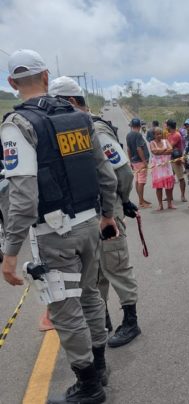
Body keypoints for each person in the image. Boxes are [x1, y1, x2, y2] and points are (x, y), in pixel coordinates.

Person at [1, 49, 118, 403]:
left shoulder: (17, 126)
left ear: (11, 83)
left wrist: (9, 253)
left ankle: (89, 386)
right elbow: (106, 175)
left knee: (65, 311)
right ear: (47, 77)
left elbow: (23, 200)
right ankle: (99, 367)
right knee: (91, 297)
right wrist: (108, 215)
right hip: (89, 226)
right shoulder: (79, 117)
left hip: (55, 234)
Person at [49, 76, 142, 349]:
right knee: (95, 274)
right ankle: (101, 321)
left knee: (116, 267)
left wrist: (120, 201)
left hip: (106, 213)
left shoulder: (96, 130)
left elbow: (123, 171)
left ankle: (131, 322)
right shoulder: (73, 128)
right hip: (88, 215)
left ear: (72, 102)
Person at [126, 118, 151, 208]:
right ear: (139, 126)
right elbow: (139, 148)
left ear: (132, 126)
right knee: (142, 181)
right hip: (140, 161)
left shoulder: (128, 135)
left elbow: (128, 149)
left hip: (134, 161)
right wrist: (144, 162)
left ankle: (141, 199)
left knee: (138, 180)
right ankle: (141, 201)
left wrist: (131, 161)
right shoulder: (138, 135)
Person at [149, 127, 175, 210]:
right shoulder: (152, 143)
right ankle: (160, 205)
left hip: (167, 167)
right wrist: (165, 149)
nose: (159, 136)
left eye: (160, 134)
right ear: (154, 135)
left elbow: (171, 150)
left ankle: (170, 203)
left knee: (169, 186)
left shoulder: (165, 141)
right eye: (157, 134)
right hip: (158, 168)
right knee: (159, 187)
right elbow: (154, 152)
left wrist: (160, 151)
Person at [166, 119, 187, 202]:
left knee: (180, 178)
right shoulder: (170, 135)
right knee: (171, 178)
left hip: (176, 159)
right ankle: (170, 196)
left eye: (166, 125)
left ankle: (183, 196)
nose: (166, 127)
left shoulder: (176, 135)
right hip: (171, 158)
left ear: (169, 126)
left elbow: (170, 146)